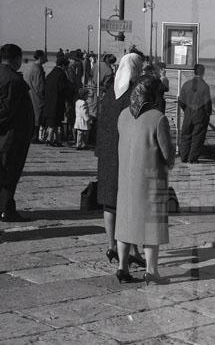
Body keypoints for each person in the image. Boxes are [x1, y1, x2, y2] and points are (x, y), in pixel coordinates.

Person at [115, 74, 174, 284]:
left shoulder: (123, 115)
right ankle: (151, 271)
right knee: (152, 226)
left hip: (126, 178)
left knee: (125, 222)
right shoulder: (158, 118)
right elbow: (167, 154)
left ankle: (122, 267)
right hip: (152, 179)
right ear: (153, 94)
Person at [96, 52, 145, 268]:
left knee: (110, 202)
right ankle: (132, 250)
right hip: (126, 154)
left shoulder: (109, 93)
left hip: (107, 154)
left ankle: (111, 246)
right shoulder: (135, 93)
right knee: (129, 204)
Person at [0, 44, 33, 222]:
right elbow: (6, 111)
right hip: (11, 137)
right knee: (9, 172)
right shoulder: (13, 80)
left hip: (8, 136)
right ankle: (6, 209)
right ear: (16, 58)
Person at [178, 63, 212, 163]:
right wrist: (208, 113)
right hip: (200, 114)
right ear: (203, 72)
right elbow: (207, 103)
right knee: (198, 136)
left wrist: (186, 110)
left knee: (186, 135)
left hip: (188, 113)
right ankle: (192, 158)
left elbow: (181, 101)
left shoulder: (186, 84)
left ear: (194, 72)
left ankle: (184, 157)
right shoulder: (205, 86)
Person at [43, 56, 70, 147]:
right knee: (55, 122)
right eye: (66, 66)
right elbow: (63, 89)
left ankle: (56, 139)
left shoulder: (51, 73)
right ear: (63, 65)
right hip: (57, 102)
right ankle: (50, 139)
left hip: (48, 101)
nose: (67, 68)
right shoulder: (61, 74)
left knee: (54, 122)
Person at [22, 50, 46, 142]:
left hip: (29, 95)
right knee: (37, 117)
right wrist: (44, 97)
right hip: (37, 97)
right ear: (40, 57)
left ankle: (31, 135)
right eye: (44, 57)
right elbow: (40, 86)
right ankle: (35, 136)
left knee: (32, 116)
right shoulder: (38, 69)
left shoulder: (29, 67)